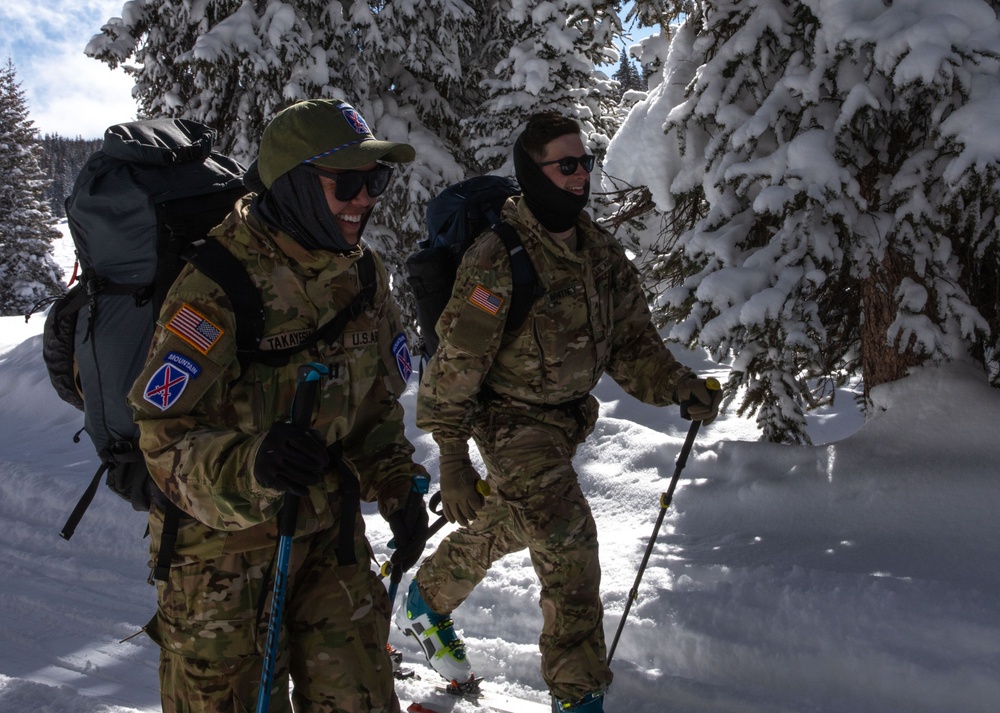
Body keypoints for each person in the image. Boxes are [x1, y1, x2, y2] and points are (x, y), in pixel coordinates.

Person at [395, 111, 722, 713]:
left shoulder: (598, 250)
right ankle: (578, 698)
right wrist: (452, 459)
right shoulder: (499, 258)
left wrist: (679, 386)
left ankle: (428, 598)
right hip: (508, 421)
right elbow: (454, 367)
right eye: (566, 166)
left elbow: (631, 344)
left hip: (565, 419)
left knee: (524, 521)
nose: (580, 177)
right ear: (535, 172)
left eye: (585, 164)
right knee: (570, 545)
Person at [128, 99, 430, 713]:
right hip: (220, 561)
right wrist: (253, 464)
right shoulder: (218, 283)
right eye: (348, 181)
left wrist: (398, 486)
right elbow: (162, 439)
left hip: (329, 538)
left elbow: (374, 410)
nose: (366, 198)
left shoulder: (365, 275)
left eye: (377, 181)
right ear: (293, 183)